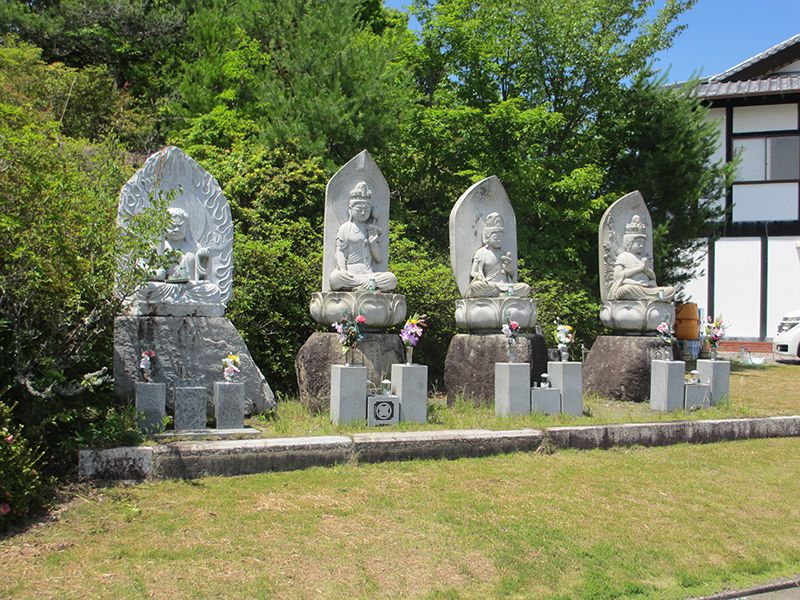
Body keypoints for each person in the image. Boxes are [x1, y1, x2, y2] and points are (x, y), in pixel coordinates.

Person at [135, 207, 222, 305]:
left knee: (213, 290)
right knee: (142, 289)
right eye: (172, 226)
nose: (176, 229)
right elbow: (139, 268)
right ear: (164, 226)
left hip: (188, 287)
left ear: (187, 227)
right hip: (164, 287)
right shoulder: (155, 244)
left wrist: (202, 258)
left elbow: (202, 277)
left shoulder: (194, 246)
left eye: (180, 226)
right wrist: (155, 274)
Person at [329, 182, 398, 292]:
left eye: (366, 209)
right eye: (359, 209)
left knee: (391, 279)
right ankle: (364, 287)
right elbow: (339, 250)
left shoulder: (372, 229)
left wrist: (373, 243)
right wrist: (342, 269)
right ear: (350, 210)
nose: (362, 212)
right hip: (351, 274)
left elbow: (379, 259)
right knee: (335, 278)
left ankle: (361, 287)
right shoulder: (345, 228)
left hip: (369, 275)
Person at [608, 215, 675, 302]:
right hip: (631, 286)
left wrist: (646, 271)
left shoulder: (644, 258)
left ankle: (654, 298)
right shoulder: (623, 256)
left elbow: (652, 278)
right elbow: (618, 276)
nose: (641, 246)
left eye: (643, 243)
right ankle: (654, 298)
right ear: (629, 243)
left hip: (646, 288)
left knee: (670, 290)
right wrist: (639, 271)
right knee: (626, 290)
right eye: (638, 243)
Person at [466, 212, 530, 298]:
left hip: (505, 285)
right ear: (488, 237)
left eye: (501, 238)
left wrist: (507, 268)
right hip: (489, 284)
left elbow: (511, 273)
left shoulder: (504, 253)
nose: (499, 240)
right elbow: (472, 272)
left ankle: (503, 294)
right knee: (476, 286)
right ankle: (503, 295)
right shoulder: (481, 252)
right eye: (496, 238)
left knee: (525, 287)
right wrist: (478, 275)